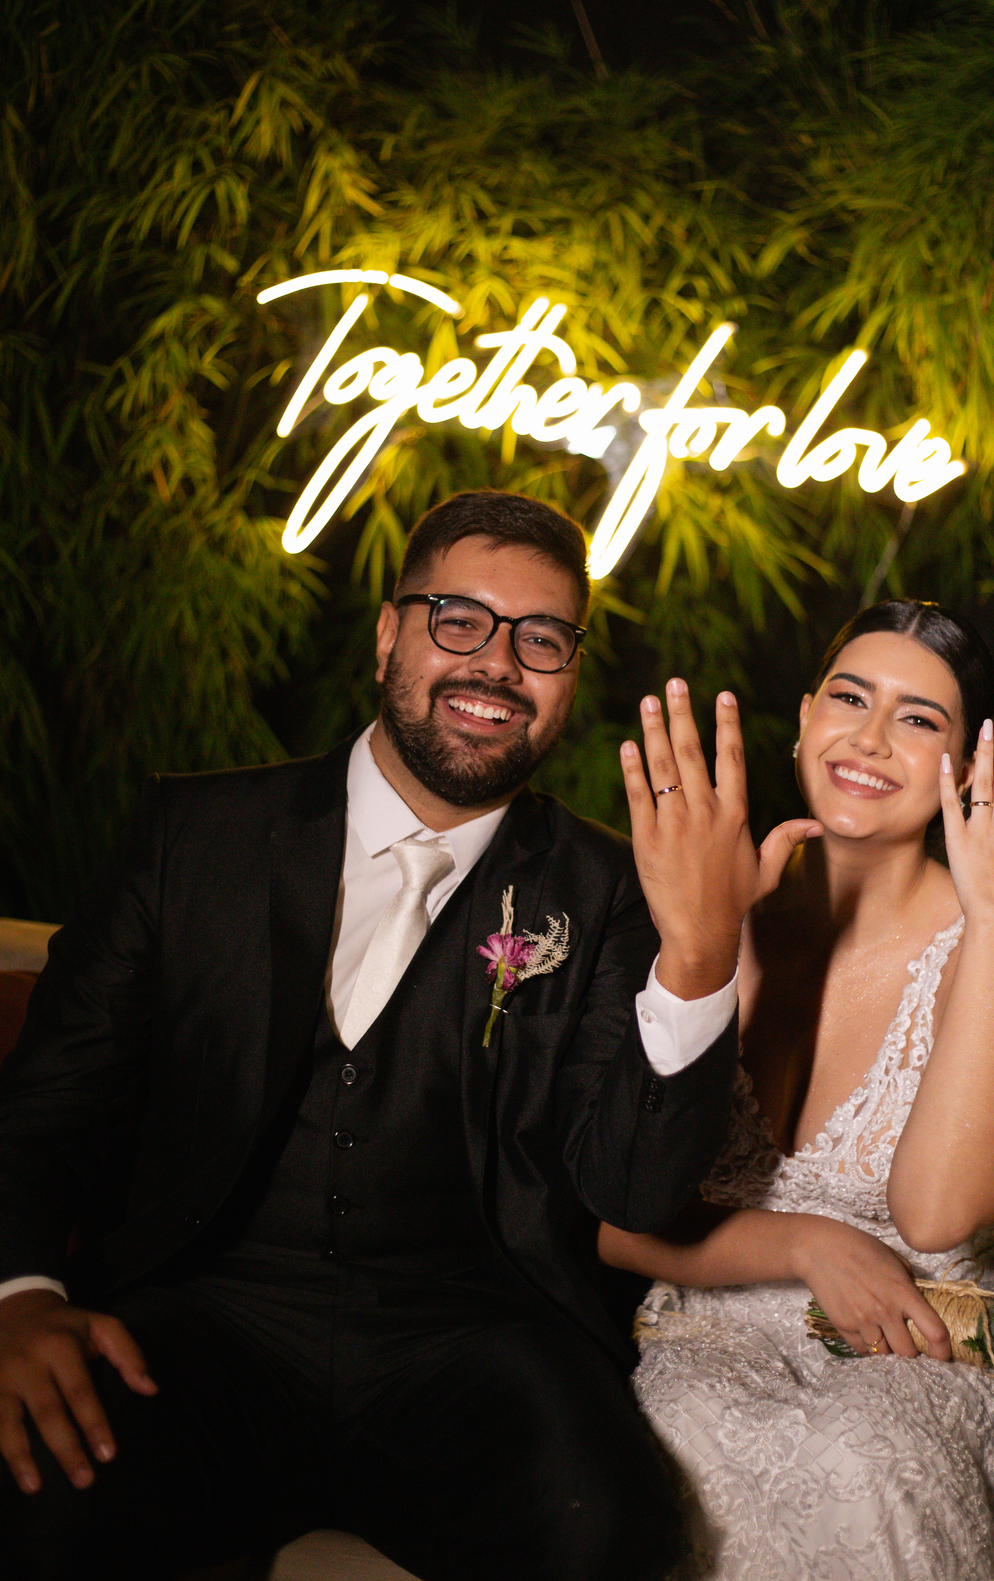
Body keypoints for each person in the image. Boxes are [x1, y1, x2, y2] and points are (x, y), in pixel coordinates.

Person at [0, 488, 819, 1581]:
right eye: (459, 620)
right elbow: (49, 1103)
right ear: (389, 633)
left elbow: (634, 1190)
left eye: (542, 639)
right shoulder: (194, 834)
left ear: (572, 674)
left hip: (477, 1346)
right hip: (199, 1328)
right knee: (36, 1496)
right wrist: (17, 1296)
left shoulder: (613, 891)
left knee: (608, 1528)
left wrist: (703, 953)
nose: (498, 664)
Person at [602, 600, 994, 1581]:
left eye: (919, 719)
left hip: (933, 1318)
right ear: (804, 720)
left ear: (963, 767)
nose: (872, 738)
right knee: (680, 1441)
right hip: (724, 1311)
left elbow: (936, 1218)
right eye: (850, 699)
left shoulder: (993, 936)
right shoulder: (711, 905)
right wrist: (807, 1242)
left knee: (870, 1461)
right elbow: (605, 1217)